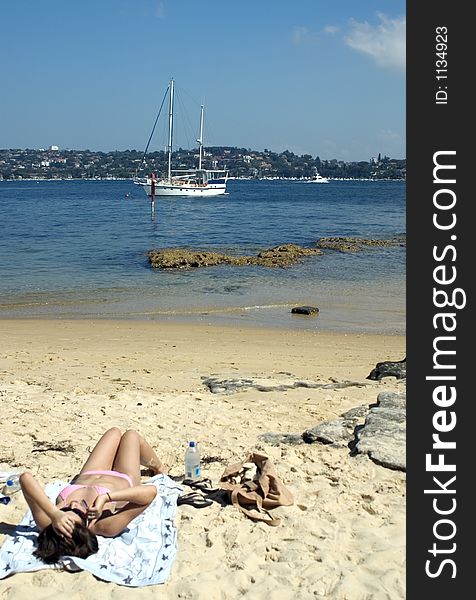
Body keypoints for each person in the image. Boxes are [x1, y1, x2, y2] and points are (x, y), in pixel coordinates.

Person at [19, 427, 166, 564]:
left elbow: (25, 478)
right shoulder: (104, 526)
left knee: (114, 432)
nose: (73, 504)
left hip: (91, 472)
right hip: (124, 476)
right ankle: (158, 467)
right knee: (130, 435)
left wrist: (55, 514)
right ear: (84, 528)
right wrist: (106, 498)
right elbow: (150, 492)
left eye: (66, 510)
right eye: (78, 511)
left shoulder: (50, 522)